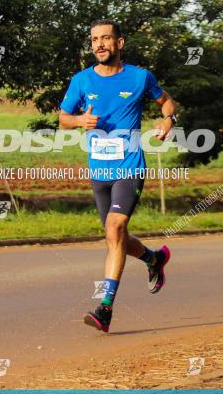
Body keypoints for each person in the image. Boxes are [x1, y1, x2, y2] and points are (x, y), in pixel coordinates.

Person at [58, 19, 177, 333]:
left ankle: (105, 309)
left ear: (119, 43)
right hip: (100, 171)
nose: (99, 44)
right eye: (95, 39)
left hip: (130, 167)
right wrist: (79, 119)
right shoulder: (82, 80)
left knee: (115, 226)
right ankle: (153, 259)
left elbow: (166, 100)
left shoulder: (140, 77)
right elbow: (62, 118)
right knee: (116, 238)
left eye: (106, 38)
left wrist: (168, 121)